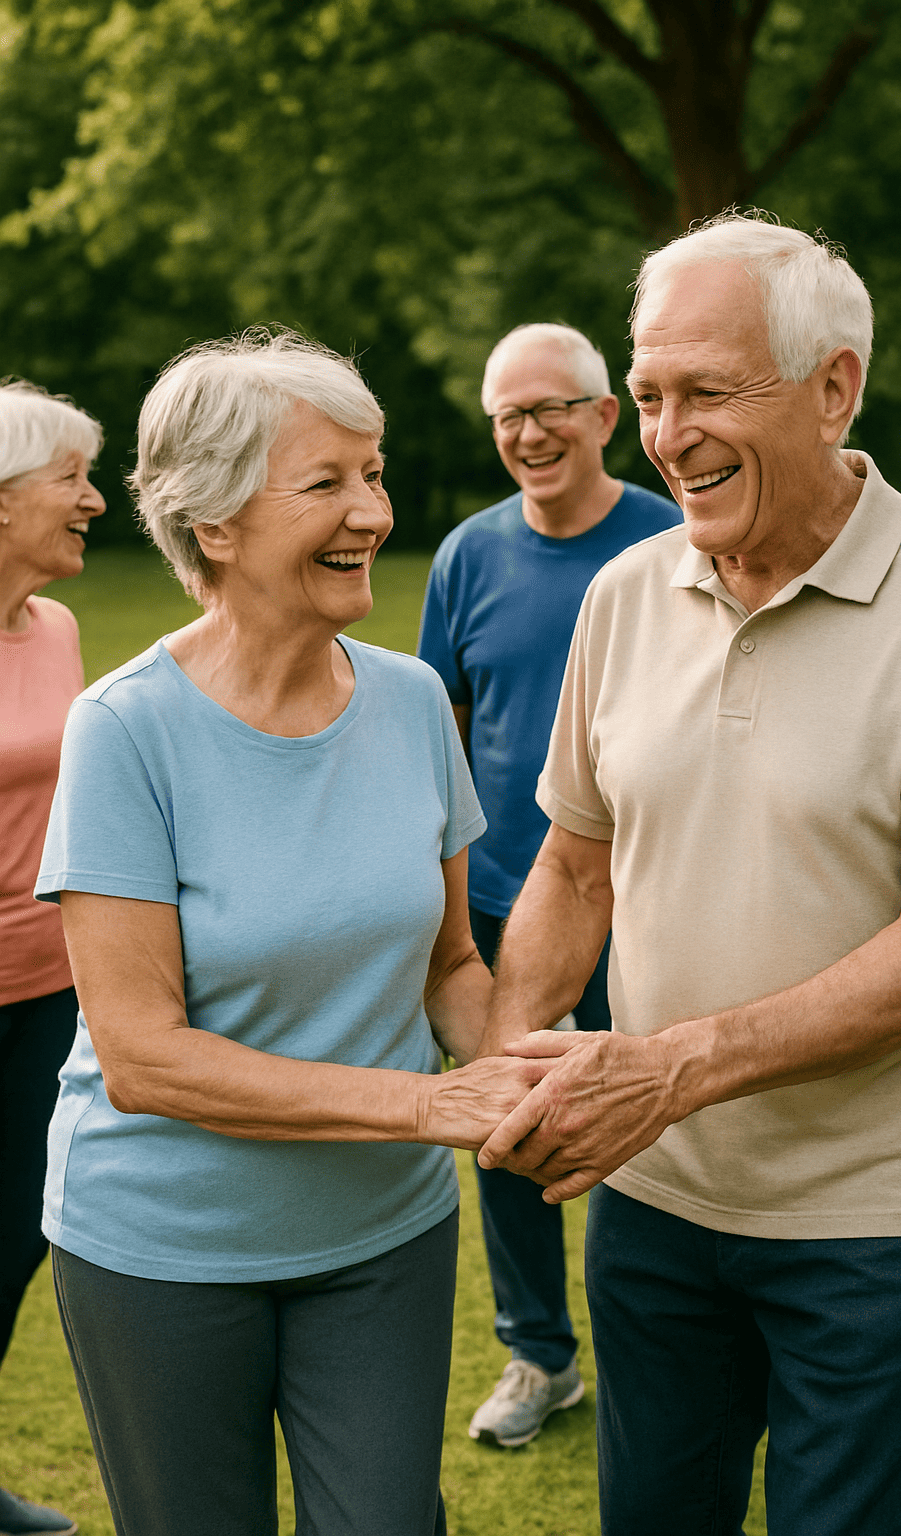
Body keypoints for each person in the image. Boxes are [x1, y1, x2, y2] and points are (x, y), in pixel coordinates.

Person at [474, 215, 901, 1534]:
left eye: (710, 391)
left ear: (836, 387)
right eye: (652, 394)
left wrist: (669, 1067)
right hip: (654, 1208)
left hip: (872, 1223)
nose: (669, 434)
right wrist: (512, 1052)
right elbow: (574, 862)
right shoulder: (622, 592)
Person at [33, 330, 543, 1536]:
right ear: (213, 525)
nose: (370, 508)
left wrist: (528, 1065)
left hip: (382, 1235)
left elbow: (451, 971)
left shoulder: (414, 701)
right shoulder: (124, 731)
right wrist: (429, 1108)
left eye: (372, 473)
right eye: (328, 483)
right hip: (160, 1250)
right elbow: (146, 1057)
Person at [417, 322, 679, 1446]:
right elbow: (444, 732)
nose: (529, 434)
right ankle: (537, 1354)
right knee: (508, 1127)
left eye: (552, 409)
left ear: (605, 417)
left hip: (645, 900)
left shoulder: (672, 537)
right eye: (508, 416)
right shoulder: (467, 554)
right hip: (495, 905)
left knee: (654, 1123)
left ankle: (662, 1349)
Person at [0, 379, 106, 1536]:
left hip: (51, 989)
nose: (92, 499)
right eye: (69, 479)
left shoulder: (60, 627)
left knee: (12, 1240)